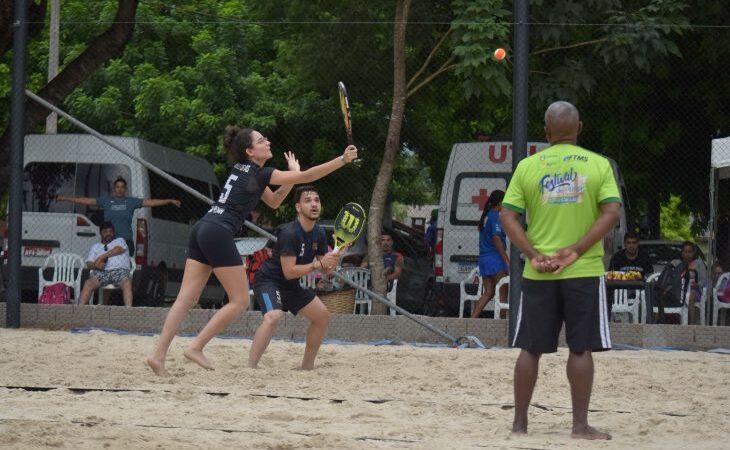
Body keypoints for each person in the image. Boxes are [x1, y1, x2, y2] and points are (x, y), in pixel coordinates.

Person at [146, 127, 357, 376]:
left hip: (203, 227)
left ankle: (158, 355)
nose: (267, 142)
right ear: (250, 151)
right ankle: (196, 347)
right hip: (219, 231)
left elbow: (274, 201)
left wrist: (292, 176)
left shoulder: (245, 171)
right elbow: (308, 176)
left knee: (185, 299)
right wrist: (342, 160)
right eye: (261, 140)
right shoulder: (261, 173)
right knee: (240, 300)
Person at [500, 101, 621, 440]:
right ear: (579, 128)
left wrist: (532, 254)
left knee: (531, 348)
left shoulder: (527, 167)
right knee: (580, 347)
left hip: (539, 271)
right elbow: (611, 213)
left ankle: (520, 425)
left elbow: (507, 216)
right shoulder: (598, 165)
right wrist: (577, 250)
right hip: (582, 269)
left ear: (546, 131)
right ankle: (580, 426)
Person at [248, 186, 340, 370]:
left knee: (322, 317)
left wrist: (339, 254)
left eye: (317, 200)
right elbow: (289, 271)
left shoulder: (320, 233)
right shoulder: (290, 233)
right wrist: (316, 265)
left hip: (290, 286)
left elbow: (327, 271)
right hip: (268, 281)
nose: (314, 204)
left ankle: (306, 367)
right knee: (273, 316)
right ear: (298, 207)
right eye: (308, 201)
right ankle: (251, 368)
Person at [56, 177, 181, 255]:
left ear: (125, 189)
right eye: (117, 187)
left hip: (125, 241)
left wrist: (169, 200)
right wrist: (64, 198)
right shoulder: (106, 200)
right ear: (114, 189)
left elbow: (151, 202)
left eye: (122, 187)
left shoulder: (131, 201)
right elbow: (86, 200)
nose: (119, 189)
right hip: (109, 240)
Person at [471, 190, 509, 319]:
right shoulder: (495, 216)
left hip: (484, 260)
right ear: (500, 202)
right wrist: (506, 259)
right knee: (503, 293)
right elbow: (496, 239)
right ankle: (504, 326)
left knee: (489, 292)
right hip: (495, 260)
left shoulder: (487, 216)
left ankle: (471, 320)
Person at [77, 222, 133, 307]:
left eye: (110, 231)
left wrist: (100, 258)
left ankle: (129, 311)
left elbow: (118, 249)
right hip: (101, 273)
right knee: (88, 283)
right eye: (105, 231)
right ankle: (79, 311)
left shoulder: (119, 240)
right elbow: (89, 264)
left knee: (127, 283)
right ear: (101, 233)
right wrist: (96, 266)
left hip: (120, 271)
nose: (108, 233)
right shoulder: (95, 246)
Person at [607, 231, 653, 319]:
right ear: (624, 244)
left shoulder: (644, 257)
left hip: (640, 291)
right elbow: (611, 275)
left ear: (638, 243)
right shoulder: (617, 257)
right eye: (628, 243)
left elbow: (650, 275)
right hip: (620, 291)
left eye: (634, 243)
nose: (631, 246)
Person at [678, 241, 707, 324]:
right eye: (685, 252)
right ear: (682, 253)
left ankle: (690, 325)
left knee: (690, 296)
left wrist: (697, 285)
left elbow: (704, 280)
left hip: (695, 290)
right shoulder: (679, 263)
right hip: (680, 289)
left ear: (694, 252)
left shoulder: (698, 263)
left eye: (690, 252)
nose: (687, 254)